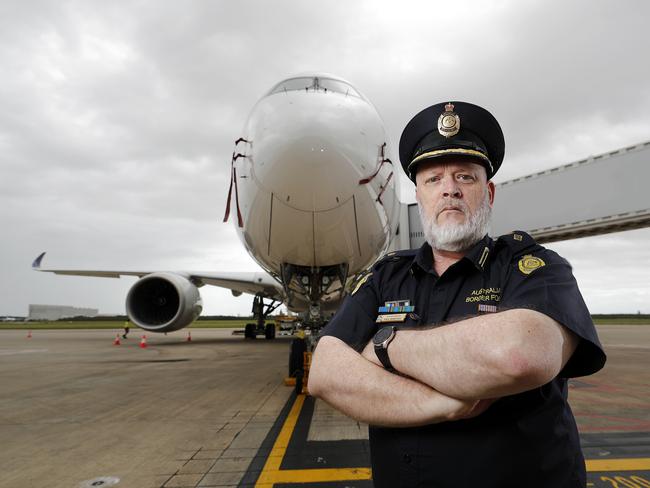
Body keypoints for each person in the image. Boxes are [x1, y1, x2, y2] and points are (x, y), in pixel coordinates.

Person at [308, 101, 606, 488]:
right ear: (420, 197)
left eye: (465, 177)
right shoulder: (386, 276)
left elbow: (518, 356)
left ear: (490, 192)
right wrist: (444, 404)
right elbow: (326, 374)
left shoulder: (534, 267)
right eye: (433, 180)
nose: (449, 190)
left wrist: (384, 346)